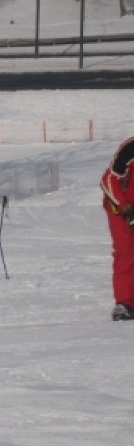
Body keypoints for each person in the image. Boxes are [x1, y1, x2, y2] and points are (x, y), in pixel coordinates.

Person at [100, 136, 134, 321]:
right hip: (119, 206)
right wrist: (125, 207)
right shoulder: (130, 148)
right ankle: (124, 303)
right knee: (126, 251)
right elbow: (108, 180)